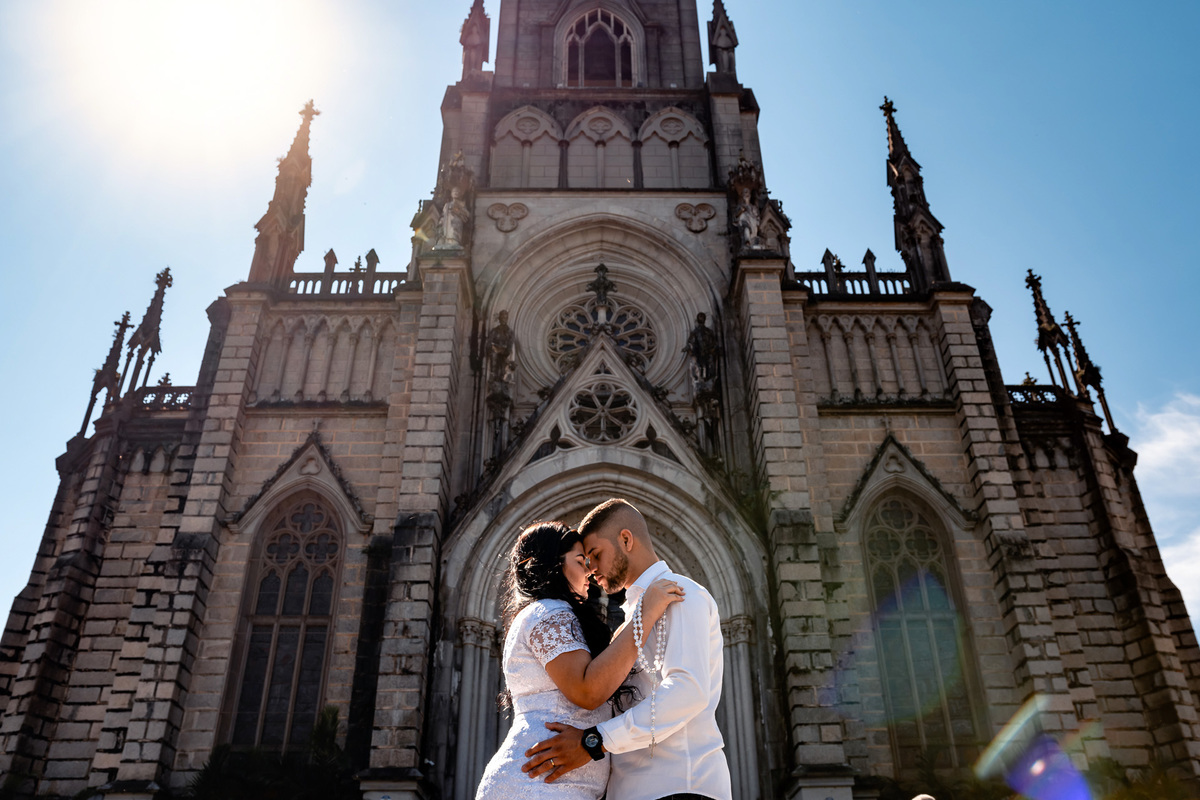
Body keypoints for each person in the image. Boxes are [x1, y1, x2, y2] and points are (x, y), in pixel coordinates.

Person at [522, 499, 733, 800]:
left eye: (596, 555)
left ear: (625, 539)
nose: (591, 569)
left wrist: (594, 741)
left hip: (679, 787)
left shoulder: (681, 594)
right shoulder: (633, 615)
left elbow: (688, 689)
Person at [476, 521, 684, 800]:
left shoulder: (549, 614)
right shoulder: (550, 613)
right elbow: (588, 691)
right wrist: (644, 614)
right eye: (580, 561)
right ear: (553, 565)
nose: (589, 569)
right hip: (536, 787)